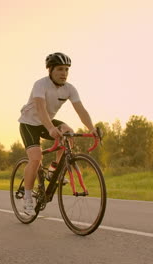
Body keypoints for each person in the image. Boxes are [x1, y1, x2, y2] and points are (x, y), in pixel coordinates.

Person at [18, 52, 97, 215]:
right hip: (29, 123)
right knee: (36, 158)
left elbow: (81, 110)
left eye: (67, 70)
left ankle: (54, 169)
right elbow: (40, 109)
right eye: (60, 69)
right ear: (51, 70)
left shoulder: (70, 89)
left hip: (46, 121)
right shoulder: (40, 84)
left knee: (68, 133)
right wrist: (51, 128)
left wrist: (92, 128)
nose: (64, 73)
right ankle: (27, 199)